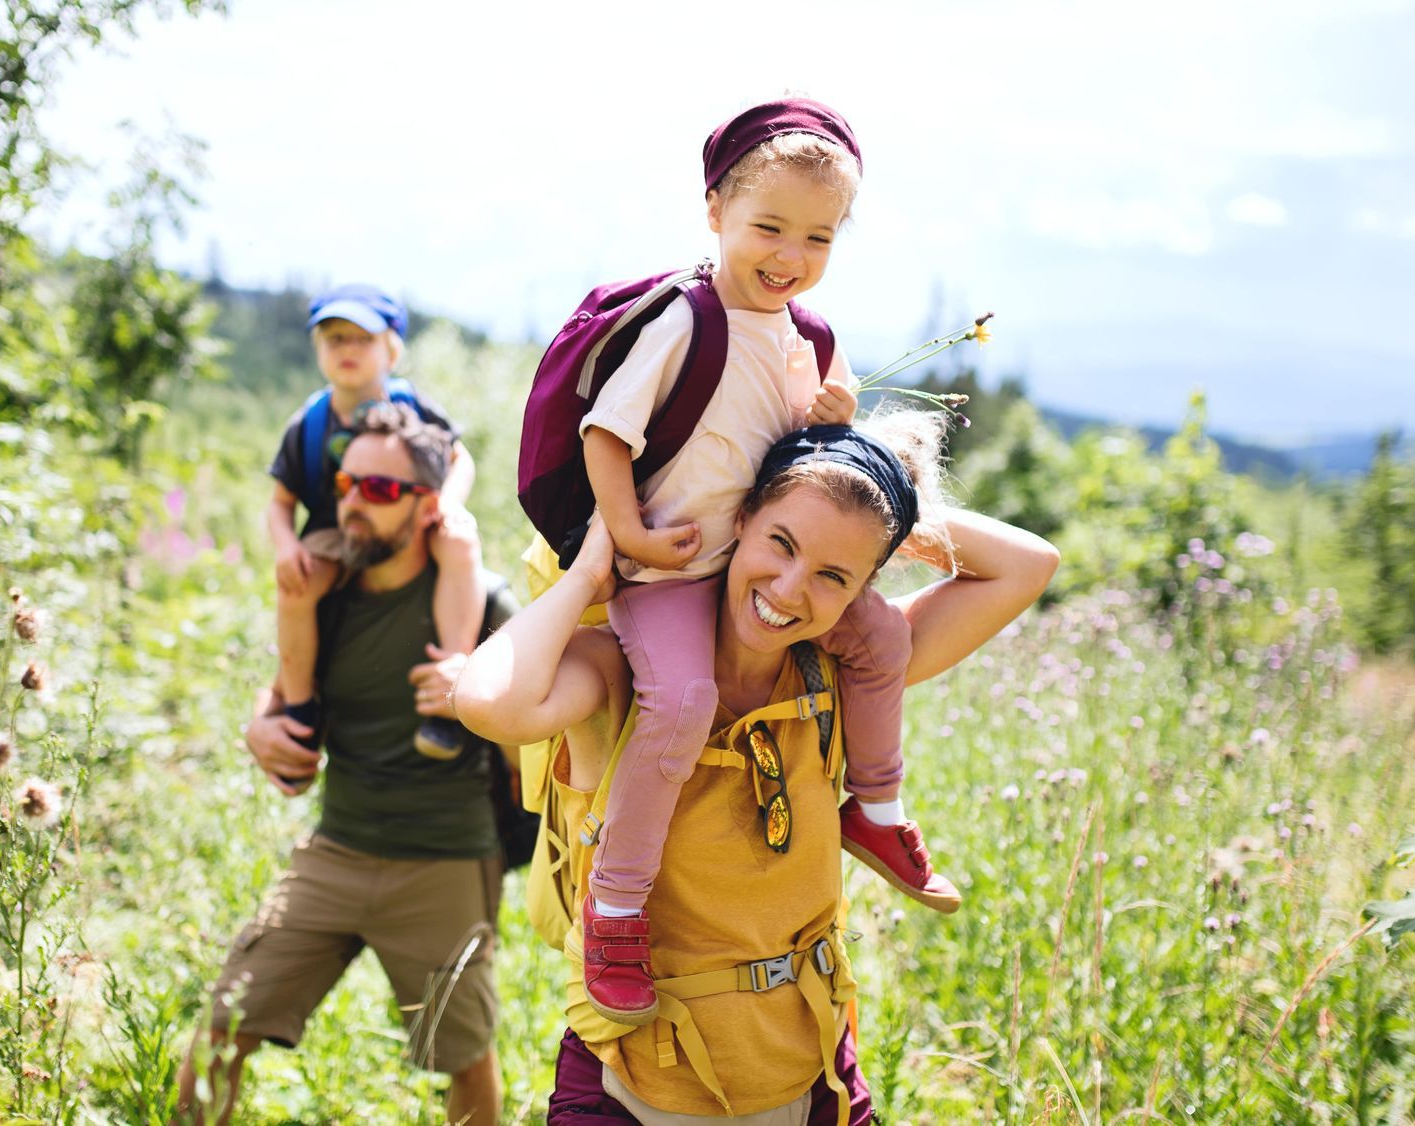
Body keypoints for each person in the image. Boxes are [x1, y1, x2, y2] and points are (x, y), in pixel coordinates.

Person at [455, 416, 1059, 1122]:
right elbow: (489, 702)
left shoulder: (843, 675)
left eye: (834, 575)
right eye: (782, 542)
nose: (791, 589)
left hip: (811, 1079)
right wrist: (592, 571)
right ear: (737, 518)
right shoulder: (621, 670)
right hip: (631, 1083)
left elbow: (1030, 564)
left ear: (862, 588)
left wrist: (876, 493)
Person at [568, 96, 953, 1025]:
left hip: (755, 562)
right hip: (671, 569)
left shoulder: (806, 336)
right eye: (768, 228)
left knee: (879, 642)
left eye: (817, 239)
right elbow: (605, 433)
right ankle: (616, 907)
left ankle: (878, 806)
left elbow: (818, 436)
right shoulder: (683, 322)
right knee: (683, 701)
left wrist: (830, 412)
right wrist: (627, 536)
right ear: (715, 213)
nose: (790, 256)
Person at [178, 404, 514, 1126]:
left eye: (381, 490)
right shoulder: (327, 594)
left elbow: (539, 731)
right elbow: (280, 697)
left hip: (445, 861)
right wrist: (257, 731)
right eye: (346, 483)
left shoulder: (482, 604)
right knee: (222, 1028)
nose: (354, 502)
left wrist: (478, 702)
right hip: (336, 851)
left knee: (461, 1055)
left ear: (429, 507)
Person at [268, 284, 485, 763]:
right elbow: (280, 502)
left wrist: (447, 504)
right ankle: (301, 707)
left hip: (410, 519)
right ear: (317, 349)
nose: (347, 350)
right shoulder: (308, 423)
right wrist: (286, 547)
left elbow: (459, 458)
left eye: (361, 339)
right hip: (333, 530)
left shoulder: (415, 406)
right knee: (296, 588)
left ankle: (449, 682)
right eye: (334, 339)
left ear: (391, 349)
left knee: (460, 542)